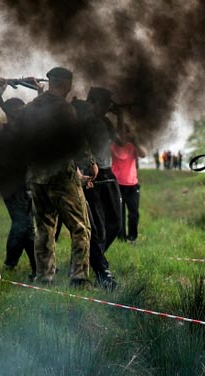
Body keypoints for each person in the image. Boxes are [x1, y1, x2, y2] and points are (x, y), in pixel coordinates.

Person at [19, 66, 93, 287]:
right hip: (60, 174)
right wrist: (89, 163)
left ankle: (45, 276)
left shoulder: (29, 109)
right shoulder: (64, 109)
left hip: (36, 176)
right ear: (65, 83)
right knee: (80, 226)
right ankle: (79, 277)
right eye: (70, 83)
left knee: (44, 227)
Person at [0, 79, 36, 279]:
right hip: (9, 186)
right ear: (12, 113)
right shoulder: (3, 131)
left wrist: (39, 91)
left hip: (24, 185)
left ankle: (17, 264)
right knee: (23, 224)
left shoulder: (26, 133)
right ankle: (24, 265)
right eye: (20, 112)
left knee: (24, 225)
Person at [80, 86, 123, 286]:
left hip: (108, 173)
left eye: (108, 105)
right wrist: (85, 169)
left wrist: (119, 116)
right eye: (104, 104)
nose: (107, 108)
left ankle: (92, 258)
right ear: (93, 102)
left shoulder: (105, 121)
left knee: (115, 222)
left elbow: (120, 141)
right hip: (90, 175)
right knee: (96, 227)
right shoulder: (82, 121)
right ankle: (102, 271)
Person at [110, 115, 147, 243]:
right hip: (117, 184)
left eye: (126, 131)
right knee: (119, 213)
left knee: (134, 213)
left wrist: (136, 142)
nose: (124, 134)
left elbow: (143, 154)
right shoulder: (113, 145)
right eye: (122, 131)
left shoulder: (133, 147)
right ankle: (121, 238)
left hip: (132, 185)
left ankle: (132, 237)